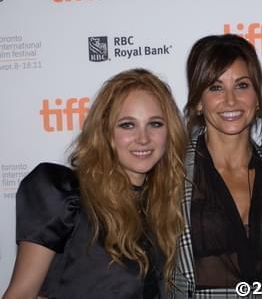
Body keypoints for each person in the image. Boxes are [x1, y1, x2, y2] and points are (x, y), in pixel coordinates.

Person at [3, 68, 187, 299]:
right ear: (106, 132)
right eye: (127, 125)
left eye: (156, 124)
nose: (143, 138)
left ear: (170, 132)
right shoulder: (64, 195)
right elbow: (21, 294)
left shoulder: (165, 211)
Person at [171, 34, 262, 298]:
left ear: (257, 97)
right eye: (215, 87)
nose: (230, 100)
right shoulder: (171, 174)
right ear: (198, 102)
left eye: (242, 85)